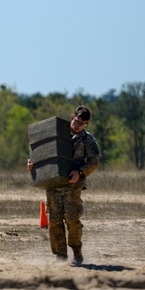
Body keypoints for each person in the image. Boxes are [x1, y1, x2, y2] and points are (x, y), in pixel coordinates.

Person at [27, 105, 100, 265]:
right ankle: (60, 256)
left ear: (86, 125)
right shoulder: (55, 133)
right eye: (77, 121)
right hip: (53, 184)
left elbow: (94, 162)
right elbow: (39, 151)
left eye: (82, 124)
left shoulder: (87, 139)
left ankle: (76, 251)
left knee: (72, 219)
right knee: (54, 221)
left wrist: (80, 172)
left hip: (72, 186)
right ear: (72, 116)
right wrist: (33, 164)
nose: (78, 125)